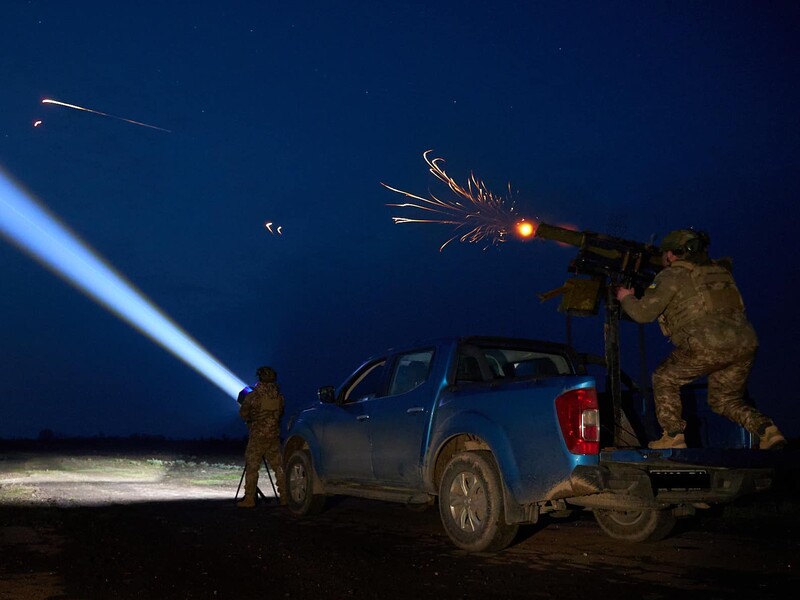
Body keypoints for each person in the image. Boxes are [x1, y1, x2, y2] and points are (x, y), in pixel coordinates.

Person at [615, 228, 786, 451]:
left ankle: (673, 435)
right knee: (725, 400)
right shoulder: (720, 272)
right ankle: (768, 430)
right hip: (744, 345)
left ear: (671, 254)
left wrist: (626, 298)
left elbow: (643, 313)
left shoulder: (672, 275)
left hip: (707, 345)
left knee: (664, 377)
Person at [237, 365, 287, 507]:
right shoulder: (279, 397)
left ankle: (249, 498)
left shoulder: (253, 396)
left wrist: (251, 419)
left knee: (252, 467)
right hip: (274, 436)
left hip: (257, 437)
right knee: (279, 467)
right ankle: (285, 497)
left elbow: (243, 414)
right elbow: (281, 414)